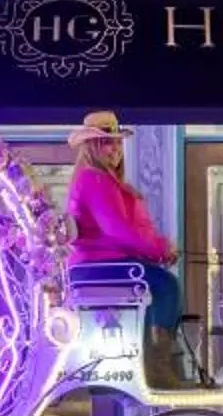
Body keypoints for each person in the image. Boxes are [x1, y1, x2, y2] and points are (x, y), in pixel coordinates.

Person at [65, 111, 201, 387]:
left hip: (105, 264)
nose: (115, 149)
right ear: (92, 147)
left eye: (117, 142)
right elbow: (118, 230)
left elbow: (128, 230)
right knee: (166, 285)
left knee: (158, 283)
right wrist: (160, 249)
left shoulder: (103, 179)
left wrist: (160, 249)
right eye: (107, 143)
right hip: (99, 266)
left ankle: (154, 358)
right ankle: (156, 365)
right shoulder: (95, 180)